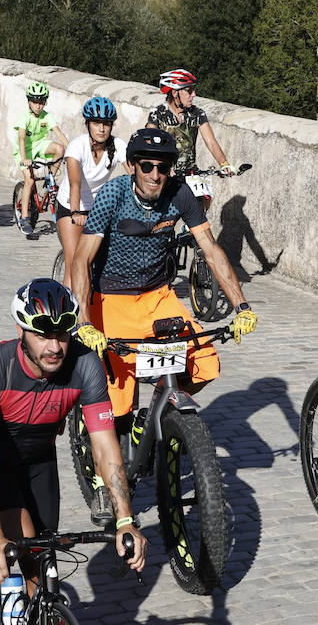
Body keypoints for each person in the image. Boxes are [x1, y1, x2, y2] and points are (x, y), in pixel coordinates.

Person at [69, 128, 258, 518]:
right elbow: (81, 262)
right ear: (132, 165)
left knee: (205, 363)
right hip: (111, 299)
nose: (156, 174)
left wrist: (242, 306)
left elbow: (211, 250)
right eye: (148, 166)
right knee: (115, 397)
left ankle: (154, 413)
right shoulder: (112, 196)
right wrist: (86, 322)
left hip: (158, 297)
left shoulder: (180, 194)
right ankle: (105, 483)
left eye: (164, 167)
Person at [0, 280, 146, 625]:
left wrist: (126, 519)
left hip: (38, 455)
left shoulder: (86, 366)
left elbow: (104, 445)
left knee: (41, 561)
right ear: (21, 330)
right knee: (17, 536)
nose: (54, 346)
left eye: (62, 334)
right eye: (42, 335)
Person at [145, 69, 236, 211]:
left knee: (203, 205)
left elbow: (211, 141)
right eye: (189, 91)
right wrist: (164, 167)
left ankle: (190, 231)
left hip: (190, 172)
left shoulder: (197, 114)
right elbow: (148, 144)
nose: (194, 95)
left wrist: (224, 164)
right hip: (165, 172)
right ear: (175, 93)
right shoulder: (158, 114)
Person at [54, 97, 118, 287]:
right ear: (88, 124)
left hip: (98, 209)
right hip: (71, 207)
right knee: (75, 264)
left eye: (106, 124)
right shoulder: (77, 147)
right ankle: (66, 312)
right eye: (97, 123)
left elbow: (134, 170)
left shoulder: (117, 146)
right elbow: (75, 183)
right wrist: (76, 212)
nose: (102, 128)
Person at [10, 81, 68, 235]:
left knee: (59, 149)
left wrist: (72, 151)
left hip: (40, 145)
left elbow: (59, 133)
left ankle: (50, 177)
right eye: (35, 102)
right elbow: (22, 138)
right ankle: (24, 217)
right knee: (29, 180)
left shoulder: (46, 116)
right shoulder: (25, 117)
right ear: (29, 102)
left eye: (41, 102)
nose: (38, 105)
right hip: (24, 151)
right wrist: (24, 159)